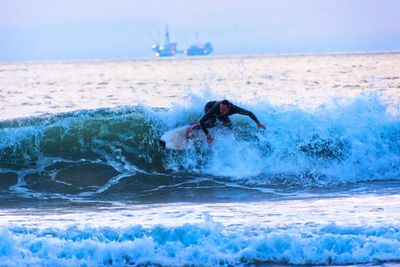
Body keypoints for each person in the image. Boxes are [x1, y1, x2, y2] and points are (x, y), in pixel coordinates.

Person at [187, 99, 266, 143]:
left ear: (229, 109)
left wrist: (258, 123)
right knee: (212, 123)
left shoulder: (235, 109)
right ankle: (192, 127)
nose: (221, 110)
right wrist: (208, 135)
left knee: (229, 126)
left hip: (218, 110)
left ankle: (201, 120)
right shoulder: (217, 109)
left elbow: (249, 113)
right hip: (209, 106)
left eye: (224, 109)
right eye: (221, 108)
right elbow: (202, 121)